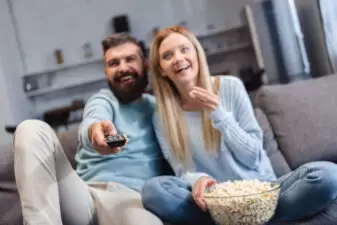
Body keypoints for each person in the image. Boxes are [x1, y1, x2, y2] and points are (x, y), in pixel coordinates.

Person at [141, 25, 337, 225]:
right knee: (153, 191)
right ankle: (252, 218)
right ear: (161, 70)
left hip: (264, 191)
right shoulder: (162, 116)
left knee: (328, 175)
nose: (178, 58)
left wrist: (219, 114)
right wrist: (197, 181)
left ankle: (245, 217)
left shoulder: (230, 87)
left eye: (184, 49)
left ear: (197, 54)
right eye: (167, 55)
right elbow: (182, 171)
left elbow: (252, 156)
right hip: (215, 202)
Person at [13, 33, 172, 225]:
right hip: (83, 196)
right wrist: (94, 133)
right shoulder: (103, 100)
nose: (122, 68)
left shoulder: (160, 110)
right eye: (113, 63)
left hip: (132, 200)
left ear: (145, 64)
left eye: (130, 59)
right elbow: (93, 121)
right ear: (106, 71)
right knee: (30, 129)